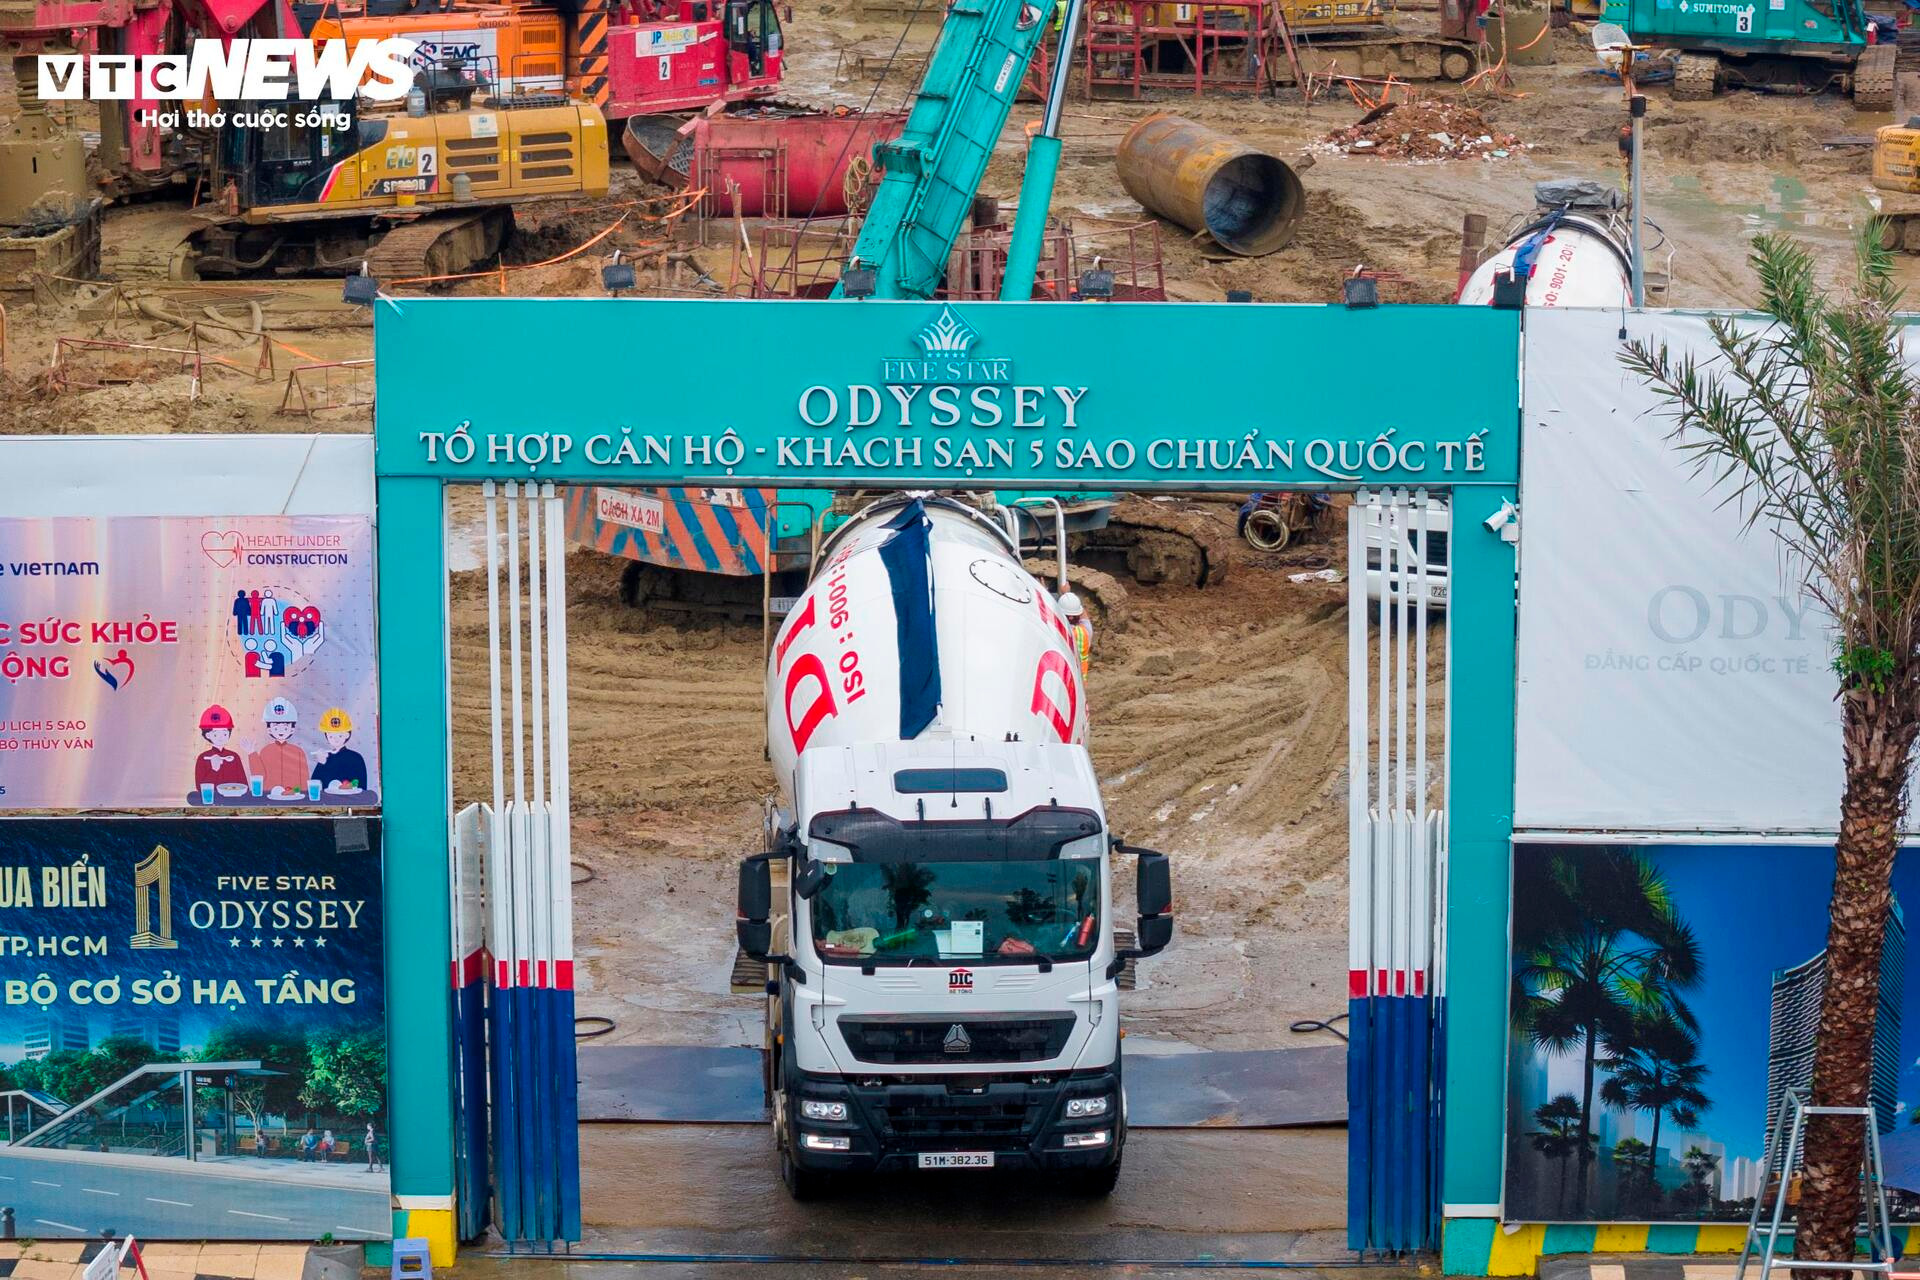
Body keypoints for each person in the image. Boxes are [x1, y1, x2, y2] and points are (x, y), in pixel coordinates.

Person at [249, 697, 310, 799]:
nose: (281, 731)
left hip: (294, 797)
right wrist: (252, 753)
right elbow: (259, 775)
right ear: (269, 730)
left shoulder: (298, 752)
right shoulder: (265, 751)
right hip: (269, 797)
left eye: (285, 727)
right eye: (276, 727)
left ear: (292, 729)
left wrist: (296, 792)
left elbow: (304, 780)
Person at [311, 708, 370, 794]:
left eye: (340, 735)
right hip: (327, 800)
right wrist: (321, 764)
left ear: (347, 735)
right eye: (331, 736)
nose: (335, 739)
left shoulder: (355, 758)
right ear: (326, 736)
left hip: (351, 799)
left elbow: (361, 787)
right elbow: (315, 784)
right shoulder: (325, 757)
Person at [194, 705, 248, 793]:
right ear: (208, 735)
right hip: (212, 798)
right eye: (215, 734)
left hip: (234, 798)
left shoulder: (234, 757)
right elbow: (200, 788)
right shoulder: (203, 758)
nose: (221, 737)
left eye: (225, 734)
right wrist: (214, 770)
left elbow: (244, 784)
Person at [1060, 592, 1094, 677]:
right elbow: (1084, 617)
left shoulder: (1058, 632)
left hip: (1063, 678)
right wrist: (1073, 602)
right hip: (1080, 681)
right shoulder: (1086, 632)